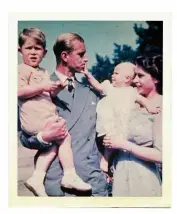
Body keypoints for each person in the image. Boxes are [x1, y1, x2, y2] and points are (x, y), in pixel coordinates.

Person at [19, 32, 107, 196]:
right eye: (81, 54)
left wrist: (107, 161)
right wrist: (43, 137)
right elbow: (24, 136)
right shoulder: (36, 88)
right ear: (65, 56)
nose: (86, 59)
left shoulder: (91, 91)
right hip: (56, 184)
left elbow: (105, 130)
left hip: (92, 182)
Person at [81, 62, 160, 172]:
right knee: (109, 140)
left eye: (116, 73)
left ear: (127, 78)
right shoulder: (109, 87)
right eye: (113, 73)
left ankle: (110, 161)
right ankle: (105, 159)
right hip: (109, 120)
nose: (112, 75)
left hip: (123, 122)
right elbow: (98, 86)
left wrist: (149, 106)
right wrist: (88, 75)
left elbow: (142, 100)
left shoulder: (132, 92)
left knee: (118, 141)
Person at [103, 55, 162, 196]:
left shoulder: (162, 106)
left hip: (144, 178)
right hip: (120, 173)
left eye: (140, 76)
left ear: (156, 78)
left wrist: (124, 145)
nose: (135, 80)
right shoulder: (131, 102)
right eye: (134, 75)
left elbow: (162, 155)